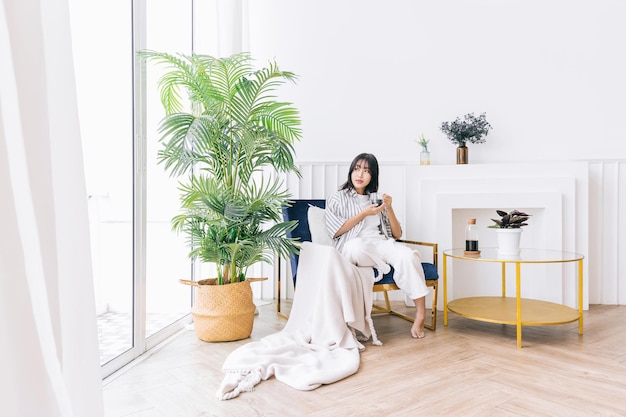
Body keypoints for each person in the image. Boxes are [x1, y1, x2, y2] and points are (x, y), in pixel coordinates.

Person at [324, 153, 429, 339]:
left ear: (373, 176)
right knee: (356, 247)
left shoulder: (378, 199)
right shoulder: (337, 198)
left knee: (408, 256)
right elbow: (336, 231)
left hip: (380, 244)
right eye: (357, 169)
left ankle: (420, 314)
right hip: (354, 245)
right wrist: (363, 214)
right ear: (351, 171)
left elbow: (397, 234)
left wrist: (389, 208)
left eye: (366, 170)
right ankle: (385, 267)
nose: (360, 174)